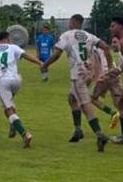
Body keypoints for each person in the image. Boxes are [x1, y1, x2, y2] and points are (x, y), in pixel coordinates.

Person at [42, 14, 112, 151]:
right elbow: (106, 48)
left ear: (73, 22)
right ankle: (78, 129)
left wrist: (45, 65)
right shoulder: (89, 35)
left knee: (85, 103)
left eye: (69, 21)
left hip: (78, 73)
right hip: (88, 72)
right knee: (72, 98)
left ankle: (99, 134)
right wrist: (109, 67)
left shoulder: (67, 35)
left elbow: (57, 54)